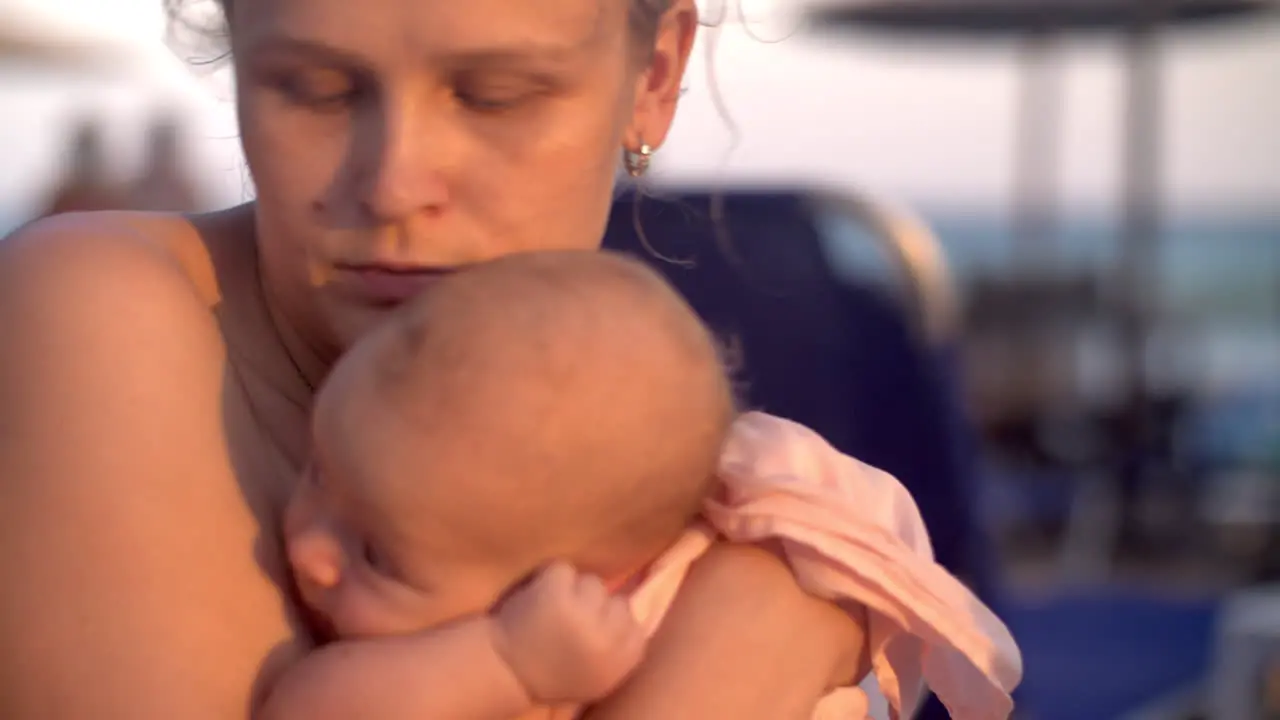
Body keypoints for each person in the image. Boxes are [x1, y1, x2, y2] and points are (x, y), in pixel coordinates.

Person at [0, 1, 874, 718]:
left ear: (654, 78)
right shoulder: (92, 311)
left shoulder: (649, 425)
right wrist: (740, 651)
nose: (393, 181)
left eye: (495, 95)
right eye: (314, 89)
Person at [263, 249, 1021, 720]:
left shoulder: (651, 611)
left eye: (376, 555)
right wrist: (502, 659)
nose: (308, 550)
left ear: (592, 582)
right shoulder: (487, 646)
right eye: (321, 468)